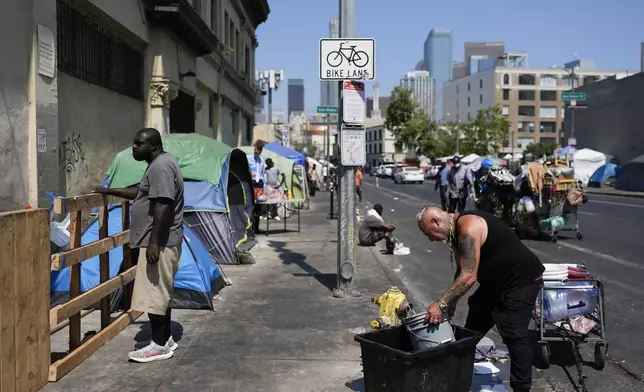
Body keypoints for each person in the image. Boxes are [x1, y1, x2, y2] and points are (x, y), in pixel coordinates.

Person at [416, 206, 545, 392]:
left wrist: (441, 303)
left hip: (521, 281)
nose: (430, 239)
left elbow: (469, 276)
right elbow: (461, 270)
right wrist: (450, 305)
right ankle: (458, 372)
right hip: (495, 283)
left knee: (513, 332)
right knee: (475, 318)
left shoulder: (468, 228)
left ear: (436, 222)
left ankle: (521, 388)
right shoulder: (454, 232)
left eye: (429, 233)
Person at [94, 128, 185, 363]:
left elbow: (163, 203)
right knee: (160, 293)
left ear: (153, 145)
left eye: (138, 144)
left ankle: (158, 346)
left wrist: (154, 242)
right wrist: (110, 190)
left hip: (160, 242)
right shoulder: (159, 164)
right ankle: (165, 339)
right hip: (161, 241)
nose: (134, 147)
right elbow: (141, 193)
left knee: (154, 293)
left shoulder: (160, 166)